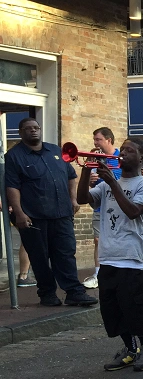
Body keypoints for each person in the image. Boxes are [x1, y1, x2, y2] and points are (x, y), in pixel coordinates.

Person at [77, 137, 143, 371]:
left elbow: (134, 212)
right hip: (108, 256)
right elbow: (84, 199)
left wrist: (113, 184)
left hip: (131, 256)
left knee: (135, 306)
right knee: (113, 309)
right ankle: (130, 349)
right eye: (122, 149)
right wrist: (86, 170)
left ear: (141, 157)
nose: (122, 153)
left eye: (129, 150)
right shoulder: (106, 184)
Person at [4, 118, 96, 307]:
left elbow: (71, 176)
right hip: (34, 217)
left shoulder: (55, 150)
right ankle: (47, 294)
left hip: (61, 214)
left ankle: (74, 292)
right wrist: (19, 213)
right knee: (39, 257)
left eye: (36, 128)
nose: (33, 131)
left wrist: (72, 199)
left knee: (66, 254)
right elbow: (12, 187)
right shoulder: (14, 156)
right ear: (21, 132)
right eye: (28, 129)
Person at [83, 128, 121, 289]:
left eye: (98, 139)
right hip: (100, 206)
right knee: (98, 240)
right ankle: (98, 273)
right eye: (94, 139)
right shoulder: (96, 159)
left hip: (118, 207)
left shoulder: (119, 157)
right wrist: (90, 180)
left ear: (108, 140)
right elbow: (91, 185)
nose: (95, 142)